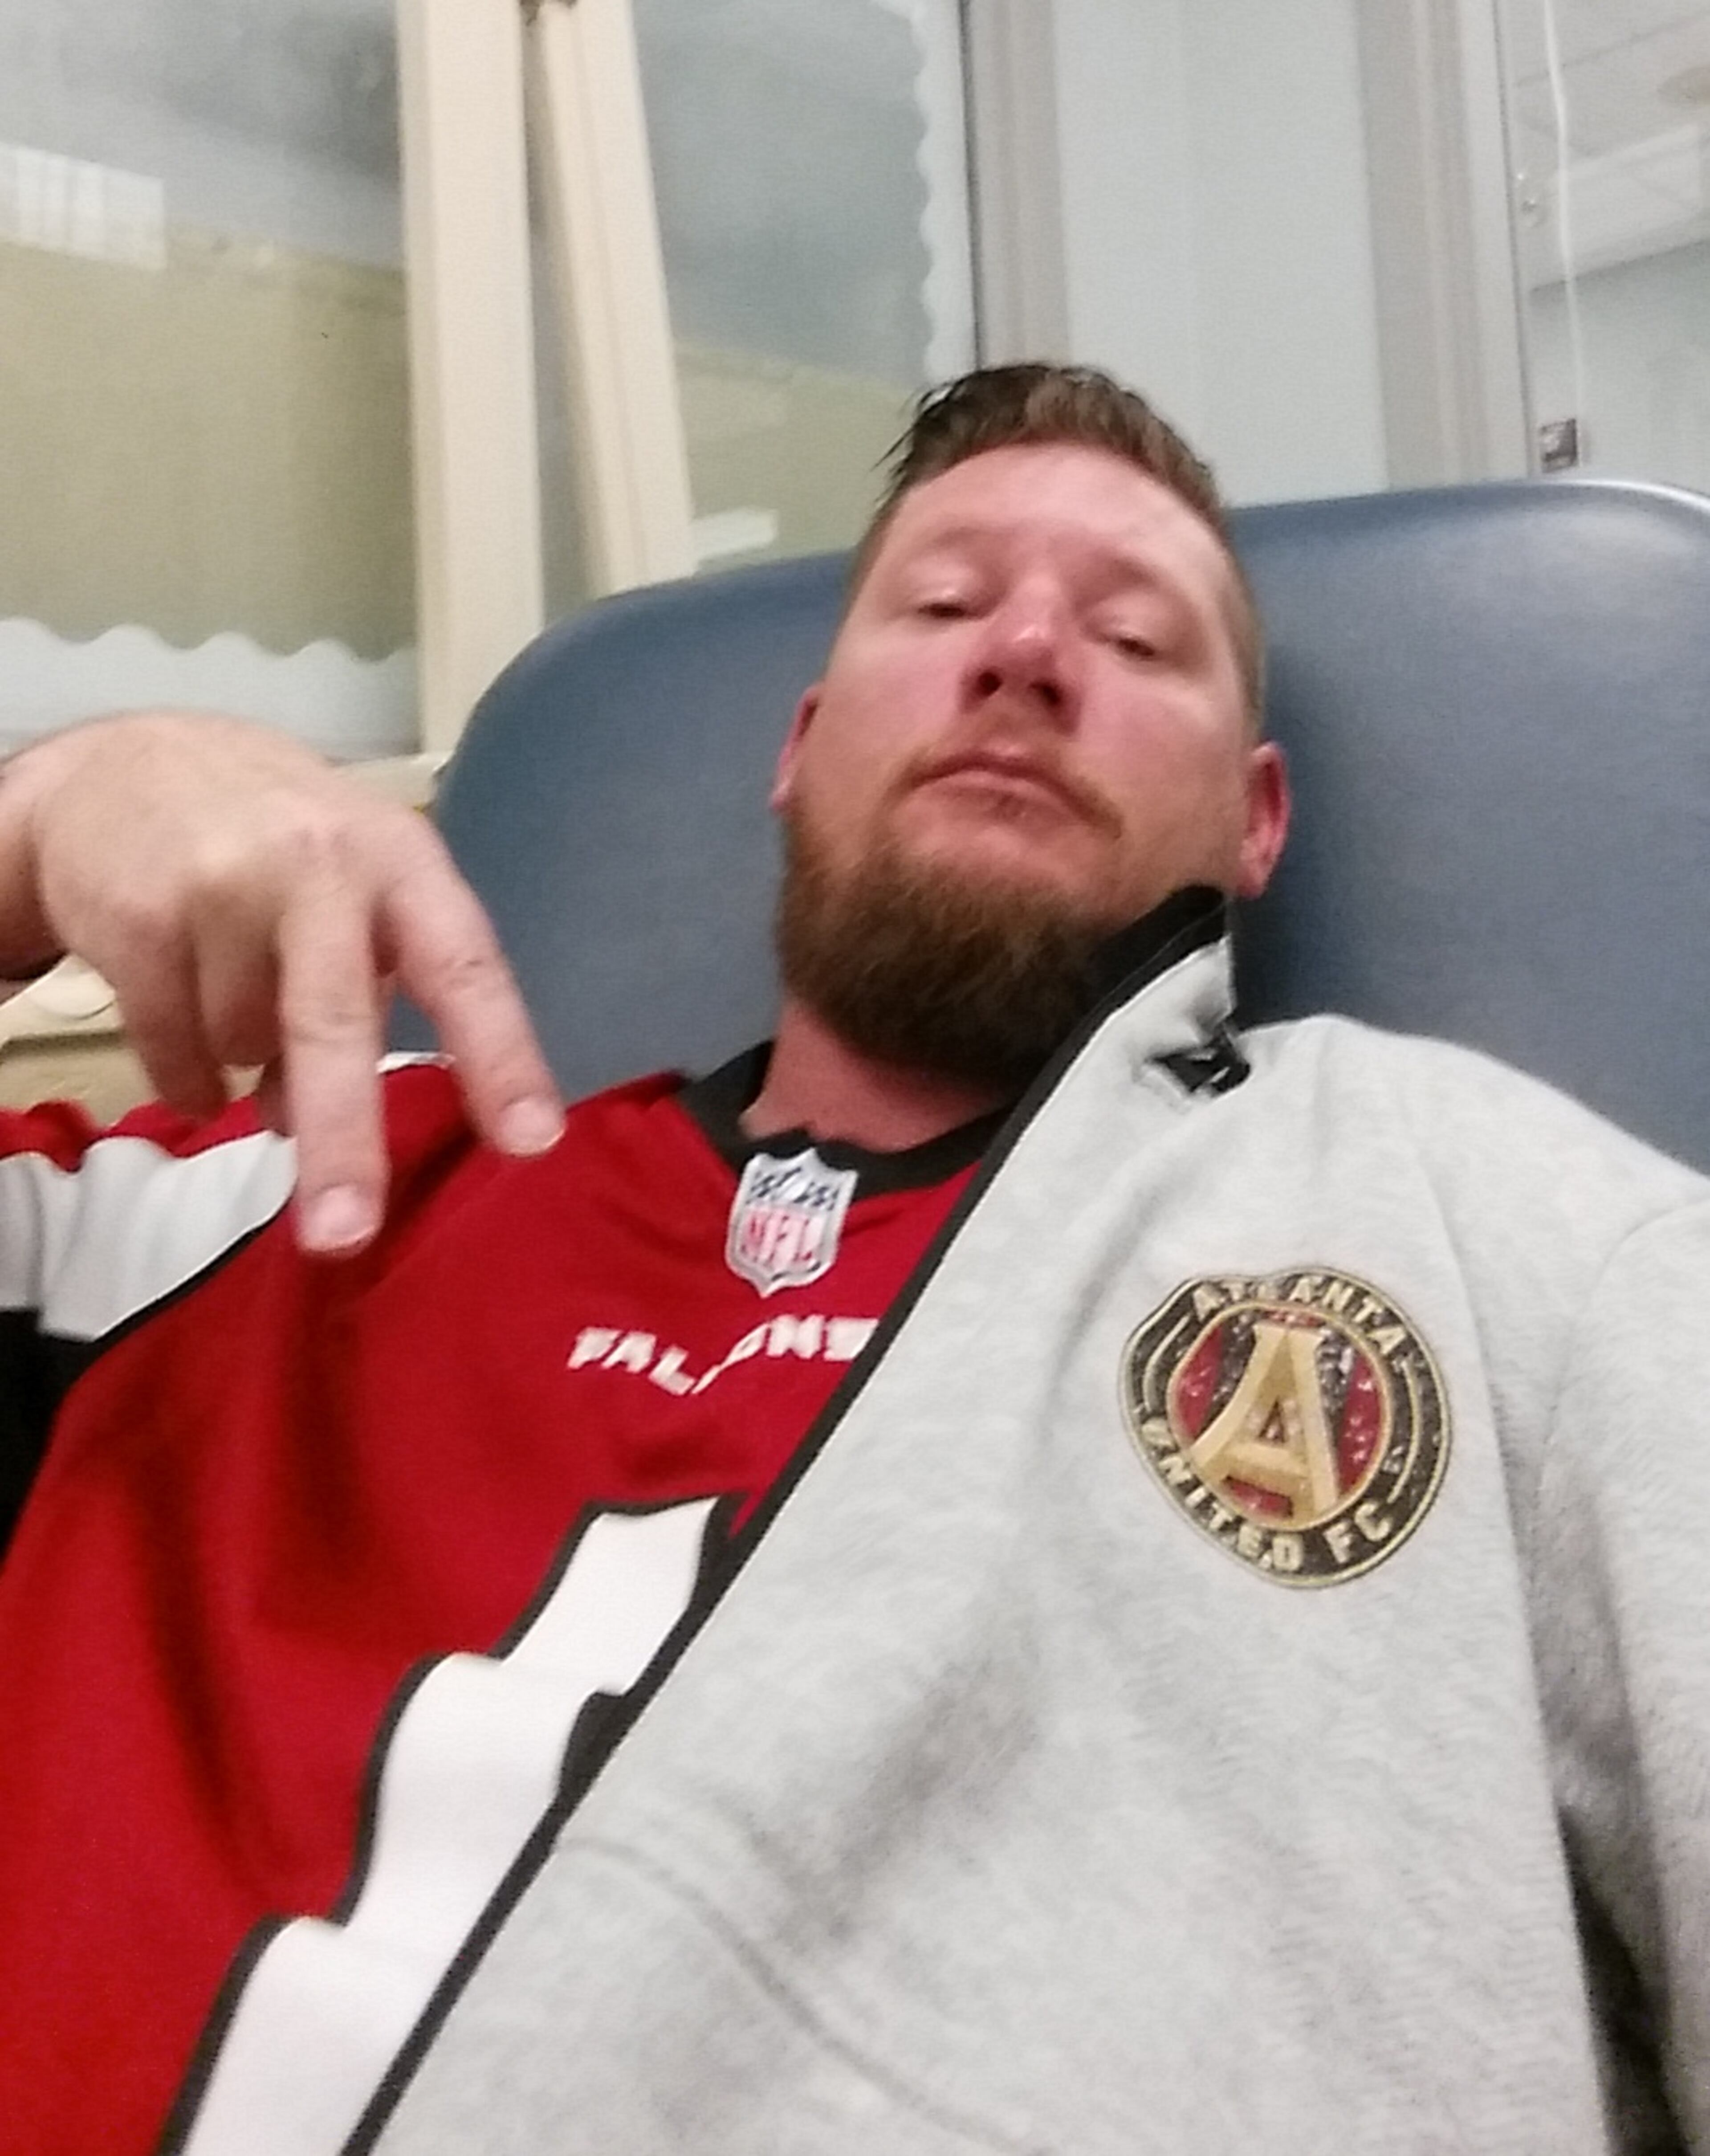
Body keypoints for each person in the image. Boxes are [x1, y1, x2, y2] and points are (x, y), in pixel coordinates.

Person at [0, 364, 1706, 2156]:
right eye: (947, 603)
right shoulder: (299, 1203)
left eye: (1135, 639)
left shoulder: (1465, 1216)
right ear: (800, 745)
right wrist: (39, 823)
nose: (1027, 651)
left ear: (1253, 818)